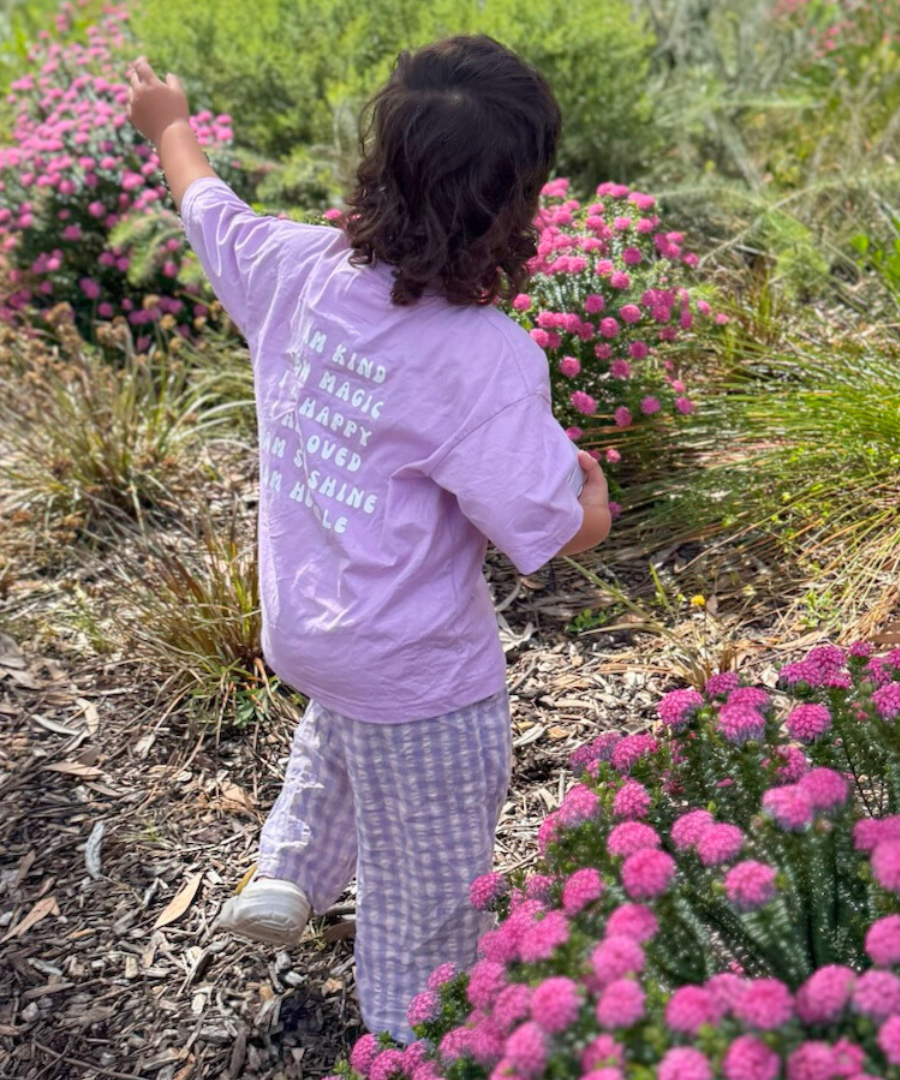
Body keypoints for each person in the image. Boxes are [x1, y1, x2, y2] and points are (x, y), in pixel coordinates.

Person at [125, 35, 611, 1044]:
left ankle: (289, 873)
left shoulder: (297, 269)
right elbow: (541, 519)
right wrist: (593, 505)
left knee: (343, 727)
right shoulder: (482, 358)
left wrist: (169, 124)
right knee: (429, 880)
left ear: (377, 164)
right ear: (514, 207)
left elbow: (208, 208)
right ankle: (410, 1032)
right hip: (425, 673)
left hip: (308, 629)